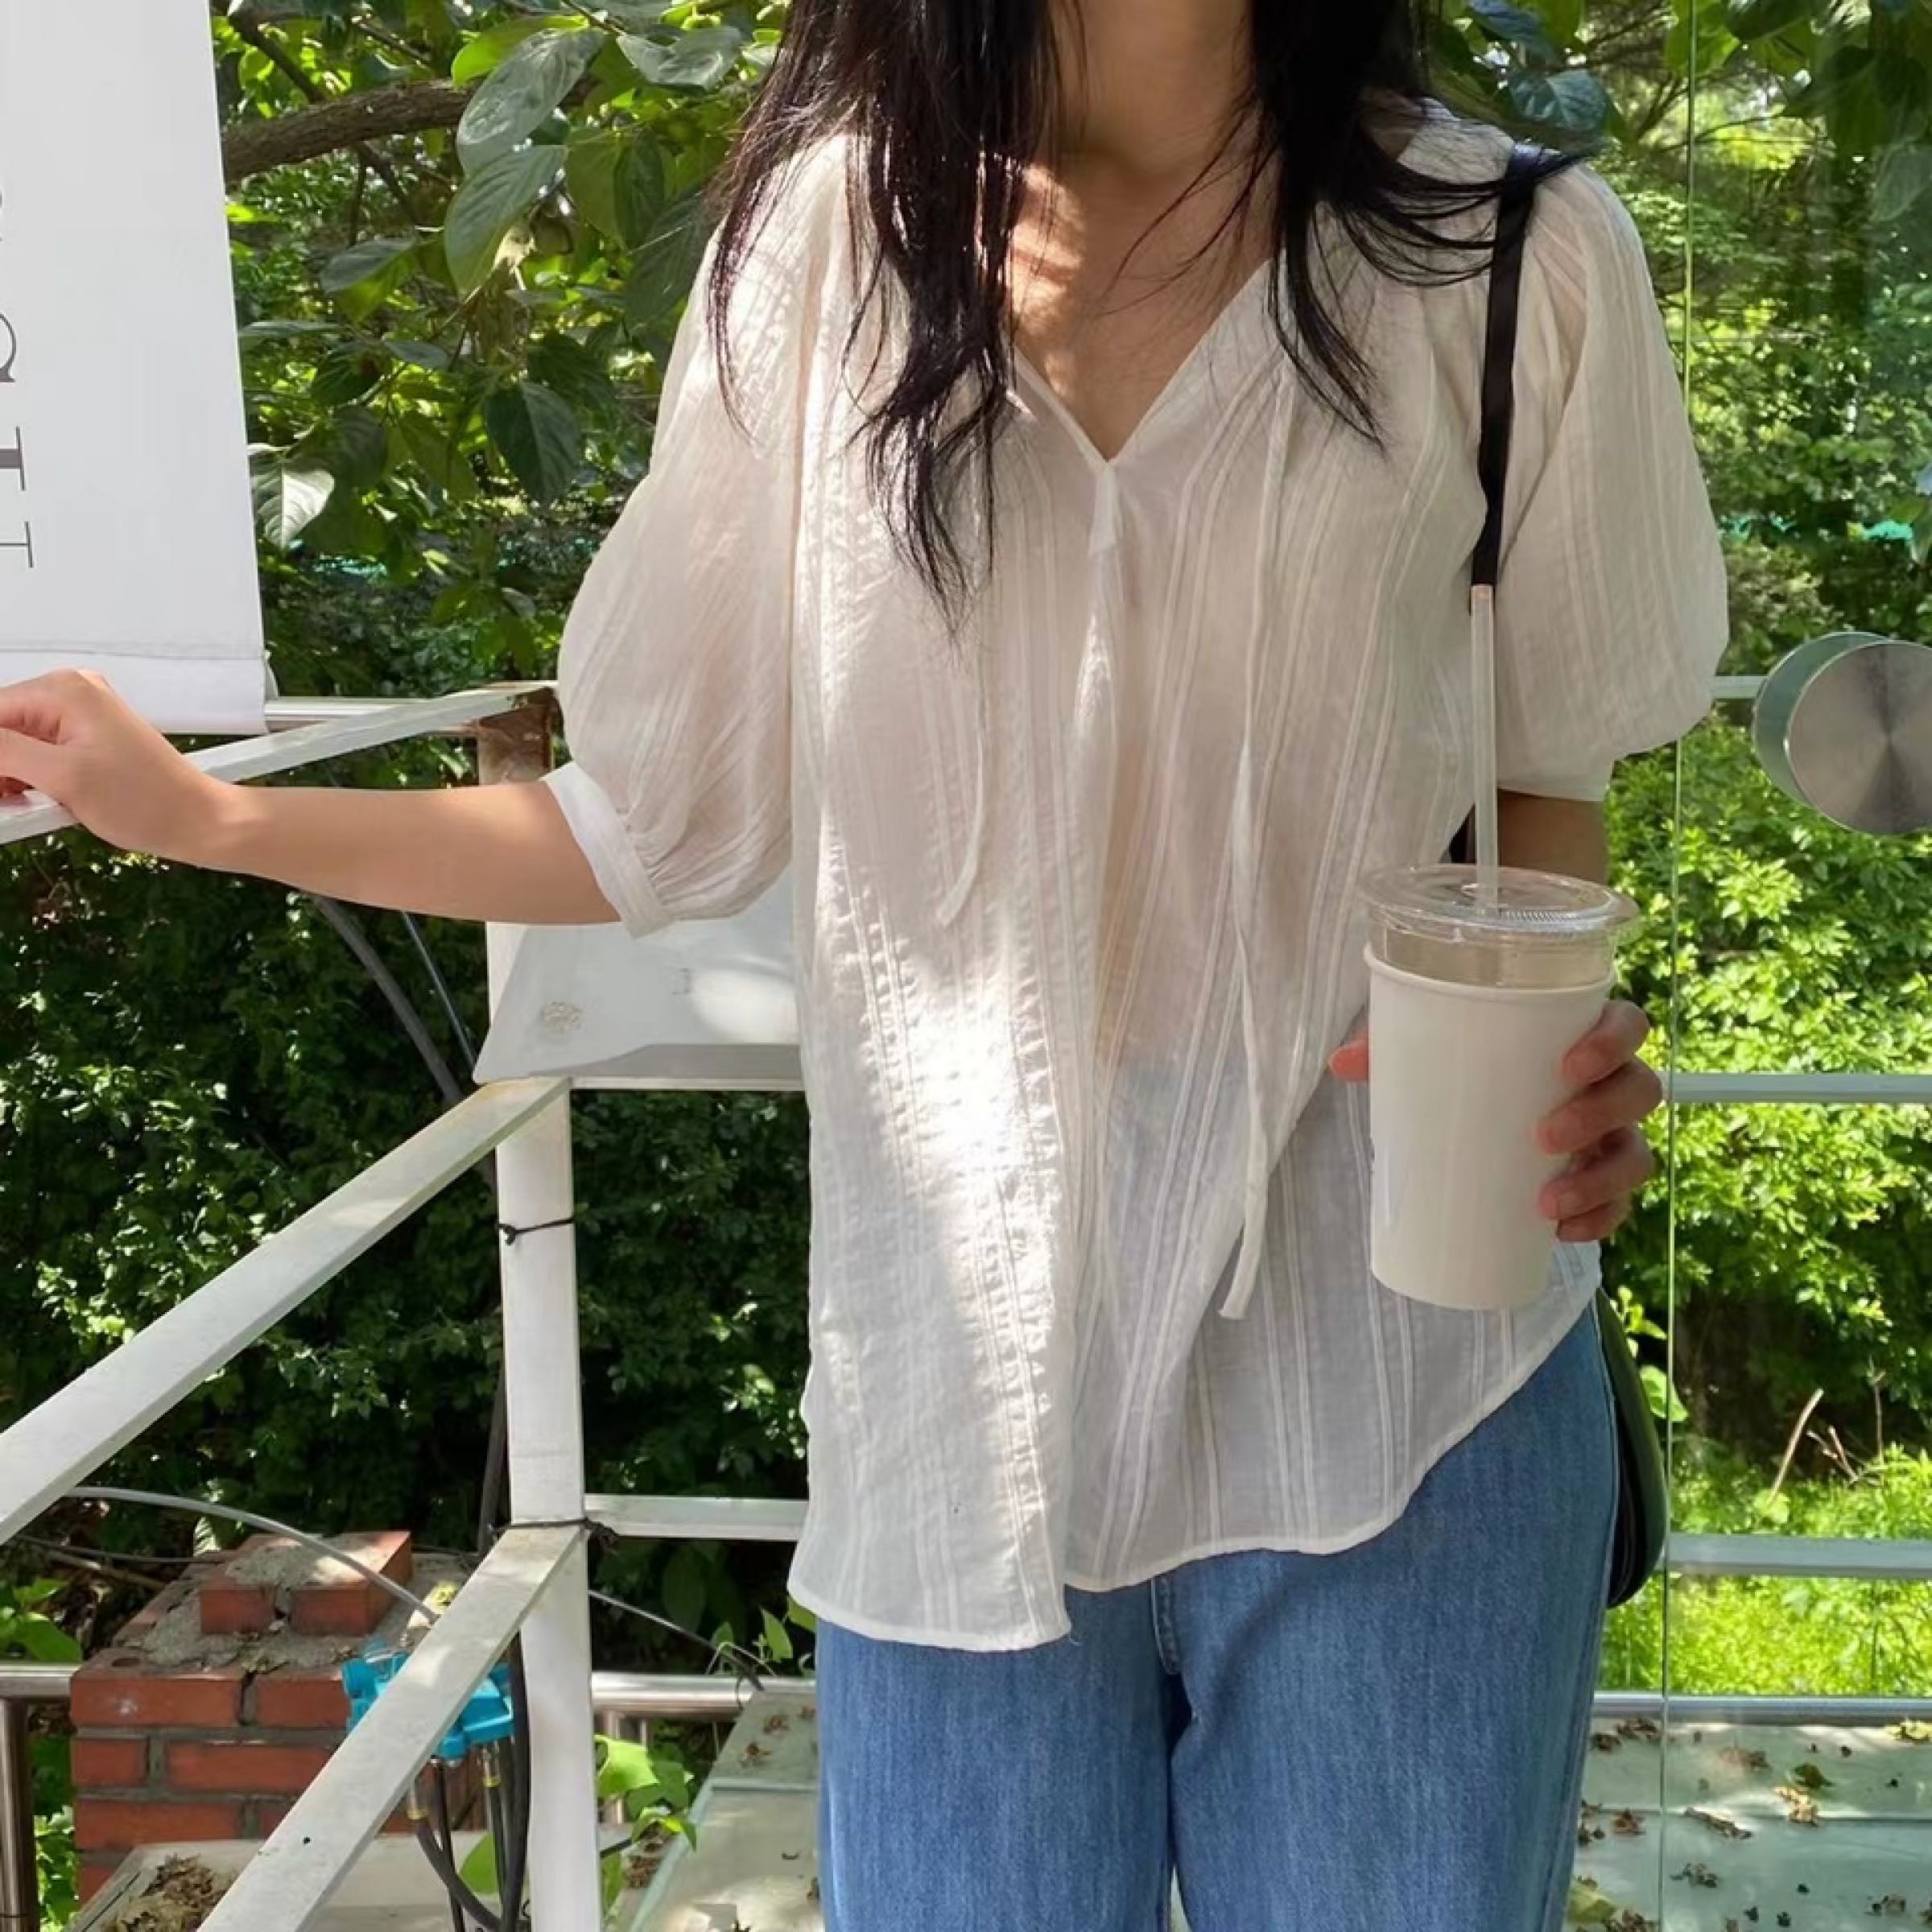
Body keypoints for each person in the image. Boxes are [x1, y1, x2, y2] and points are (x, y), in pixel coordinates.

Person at [0, 1, 1728, 1925]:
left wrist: (1550, 1054)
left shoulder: (1512, 257)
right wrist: (212, 818)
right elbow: (649, 822)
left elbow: (1540, 772)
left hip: (1406, 1386)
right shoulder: (828, 250)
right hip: (954, 1416)